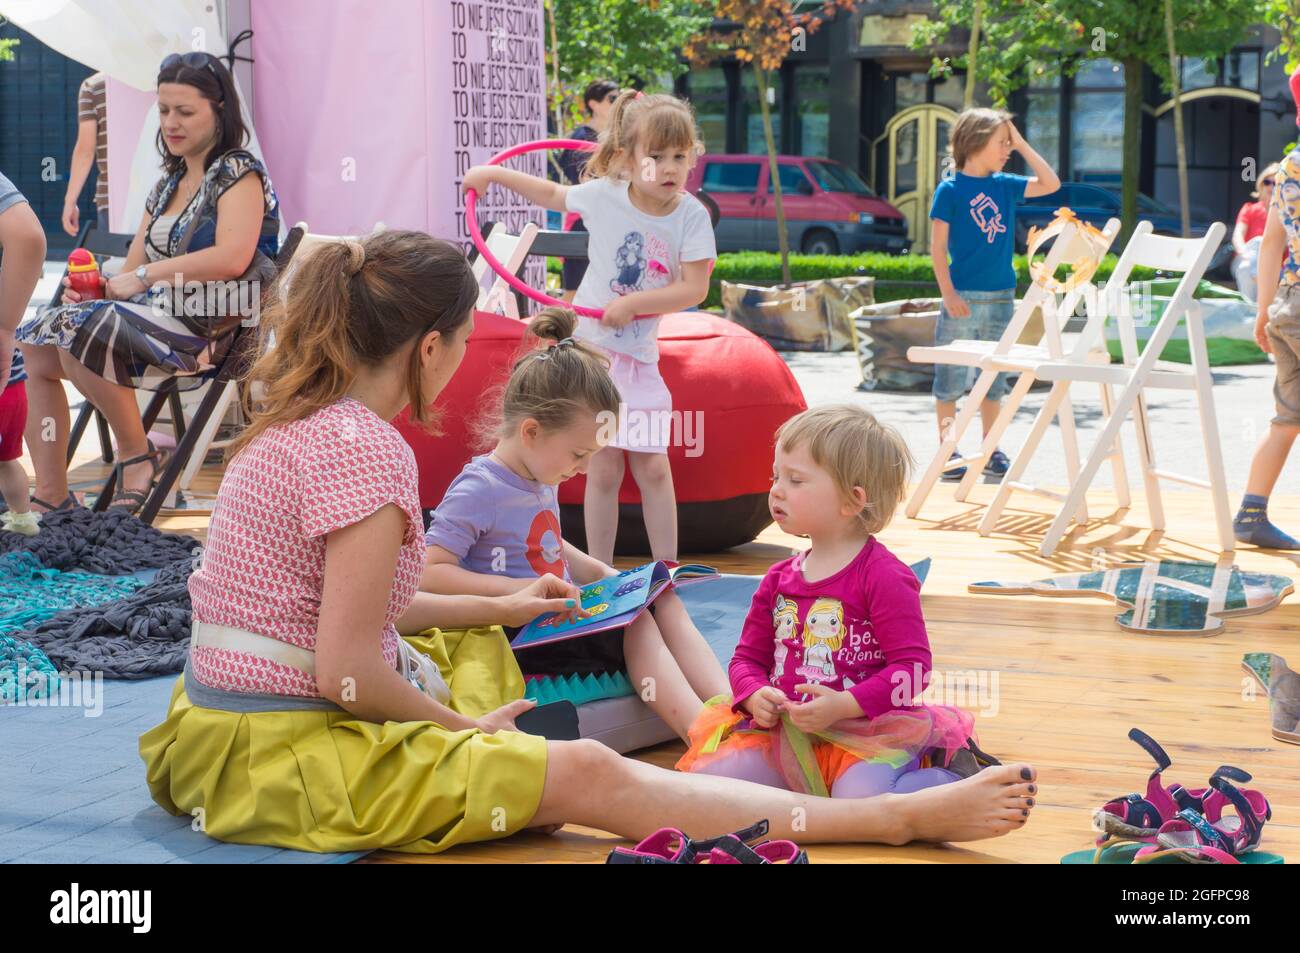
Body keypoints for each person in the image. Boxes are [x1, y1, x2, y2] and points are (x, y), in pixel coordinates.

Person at [139, 229, 1039, 854]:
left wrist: (490, 627)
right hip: (288, 755)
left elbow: (356, 610)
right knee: (591, 773)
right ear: (427, 348)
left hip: (217, 732)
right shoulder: (367, 449)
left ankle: (712, 734)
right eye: (458, 340)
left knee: (517, 692)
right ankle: (885, 823)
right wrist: (459, 731)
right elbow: (347, 664)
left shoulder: (293, 425)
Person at [422, 306, 728, 740]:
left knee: (661, 598)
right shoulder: (480, 489)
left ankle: (730, 706)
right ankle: (703, 735)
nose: (584, 469)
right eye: (579, 454)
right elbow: (429, 572)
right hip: (519, 636)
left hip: (557, 617)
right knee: (636, 624)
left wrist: (603, 575)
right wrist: (520, 592)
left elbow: (551, 543)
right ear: (531, 432)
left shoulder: (536, 473)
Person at [18, 52, 280, 515]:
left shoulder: (239, 172)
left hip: (212, 323)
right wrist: (98, 286)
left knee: (78, 329)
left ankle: (137, 455)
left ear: (219, 111)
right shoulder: (167, 184)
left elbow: (232, 257)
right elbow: (130, 270)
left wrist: (141, 277)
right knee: (39, 342)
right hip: (155, 318)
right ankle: (52, 494)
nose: (170, 123)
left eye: (184, 111)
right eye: (163, 111)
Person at [678, 405, 986, 797]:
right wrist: (755, 694)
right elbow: (745, 660)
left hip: (867, 736)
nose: (776, 489)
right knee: (706, 784)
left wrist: (845, 703)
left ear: (851, 501)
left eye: (796, 480)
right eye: (776, 476)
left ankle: (956, 777)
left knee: (862, 801)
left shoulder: (884, 576)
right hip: (785, 737)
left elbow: (912, 670)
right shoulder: (777, 580)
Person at [462, 91, 716, 565]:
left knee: (654, 467)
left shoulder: (690, 215)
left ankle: (669, 570)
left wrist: (636, 304)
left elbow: (695, 288)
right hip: (593, 360)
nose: (669, 168)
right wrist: (493, 175)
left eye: (680, 156)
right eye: (655, 156)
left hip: (638, 362)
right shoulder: (606, 198)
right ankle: (600, 570)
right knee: (602, 468)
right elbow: (552, 194)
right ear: (625, 158)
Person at [929, 107, 1061, 483]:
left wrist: (1021, 142)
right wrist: (949, 292)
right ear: (974, 141)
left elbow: (1050, 183)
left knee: (994, 381)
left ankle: (990, 448)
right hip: (961, 300)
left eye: (1010, 143)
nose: (1007, 149)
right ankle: (948, 449)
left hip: (1002, 297)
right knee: (950, 380)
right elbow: (938, 249)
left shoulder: (1005, 184)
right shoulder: (950, 189)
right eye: (1001, 142)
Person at [1235, 68, 1300, 550]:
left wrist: (1262, 311)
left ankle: (1251, 514)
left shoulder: (1290, 166)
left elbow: (1271, 243)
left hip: (1286, 309)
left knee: (1288, 418)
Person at [0, 171, 47, 535]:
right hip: (13, 387)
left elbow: (27, 237)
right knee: (8, 461)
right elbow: (27, 238)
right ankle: (22, 518)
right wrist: (4, 327)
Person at [558, 79, 620, 299]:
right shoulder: (581, 139)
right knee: (574, 292)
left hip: (611, 221)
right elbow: (586, 182)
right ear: (593, 103)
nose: (618, 103)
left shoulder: (618, 138)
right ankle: (557, 332)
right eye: (612, 98)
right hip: (584, 221)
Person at [63, 71, 110, 236]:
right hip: (166, 195)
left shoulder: (94, 86)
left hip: (111, 196)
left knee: (115, 261)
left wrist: (70, 201)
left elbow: (85, 150)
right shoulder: (163, 79)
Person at [1232, 162, 1279, 303]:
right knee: (1258, 243)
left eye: (1276, 183)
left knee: (1246, 269)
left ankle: (1251, 310)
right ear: (1261, 185)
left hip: (1272, 265)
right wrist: (1245, 254)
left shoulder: (1286, 215)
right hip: (1245, 257)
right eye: (1267, 182)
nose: (1271, 186)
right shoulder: (1250, 209)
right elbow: (1237, 235)